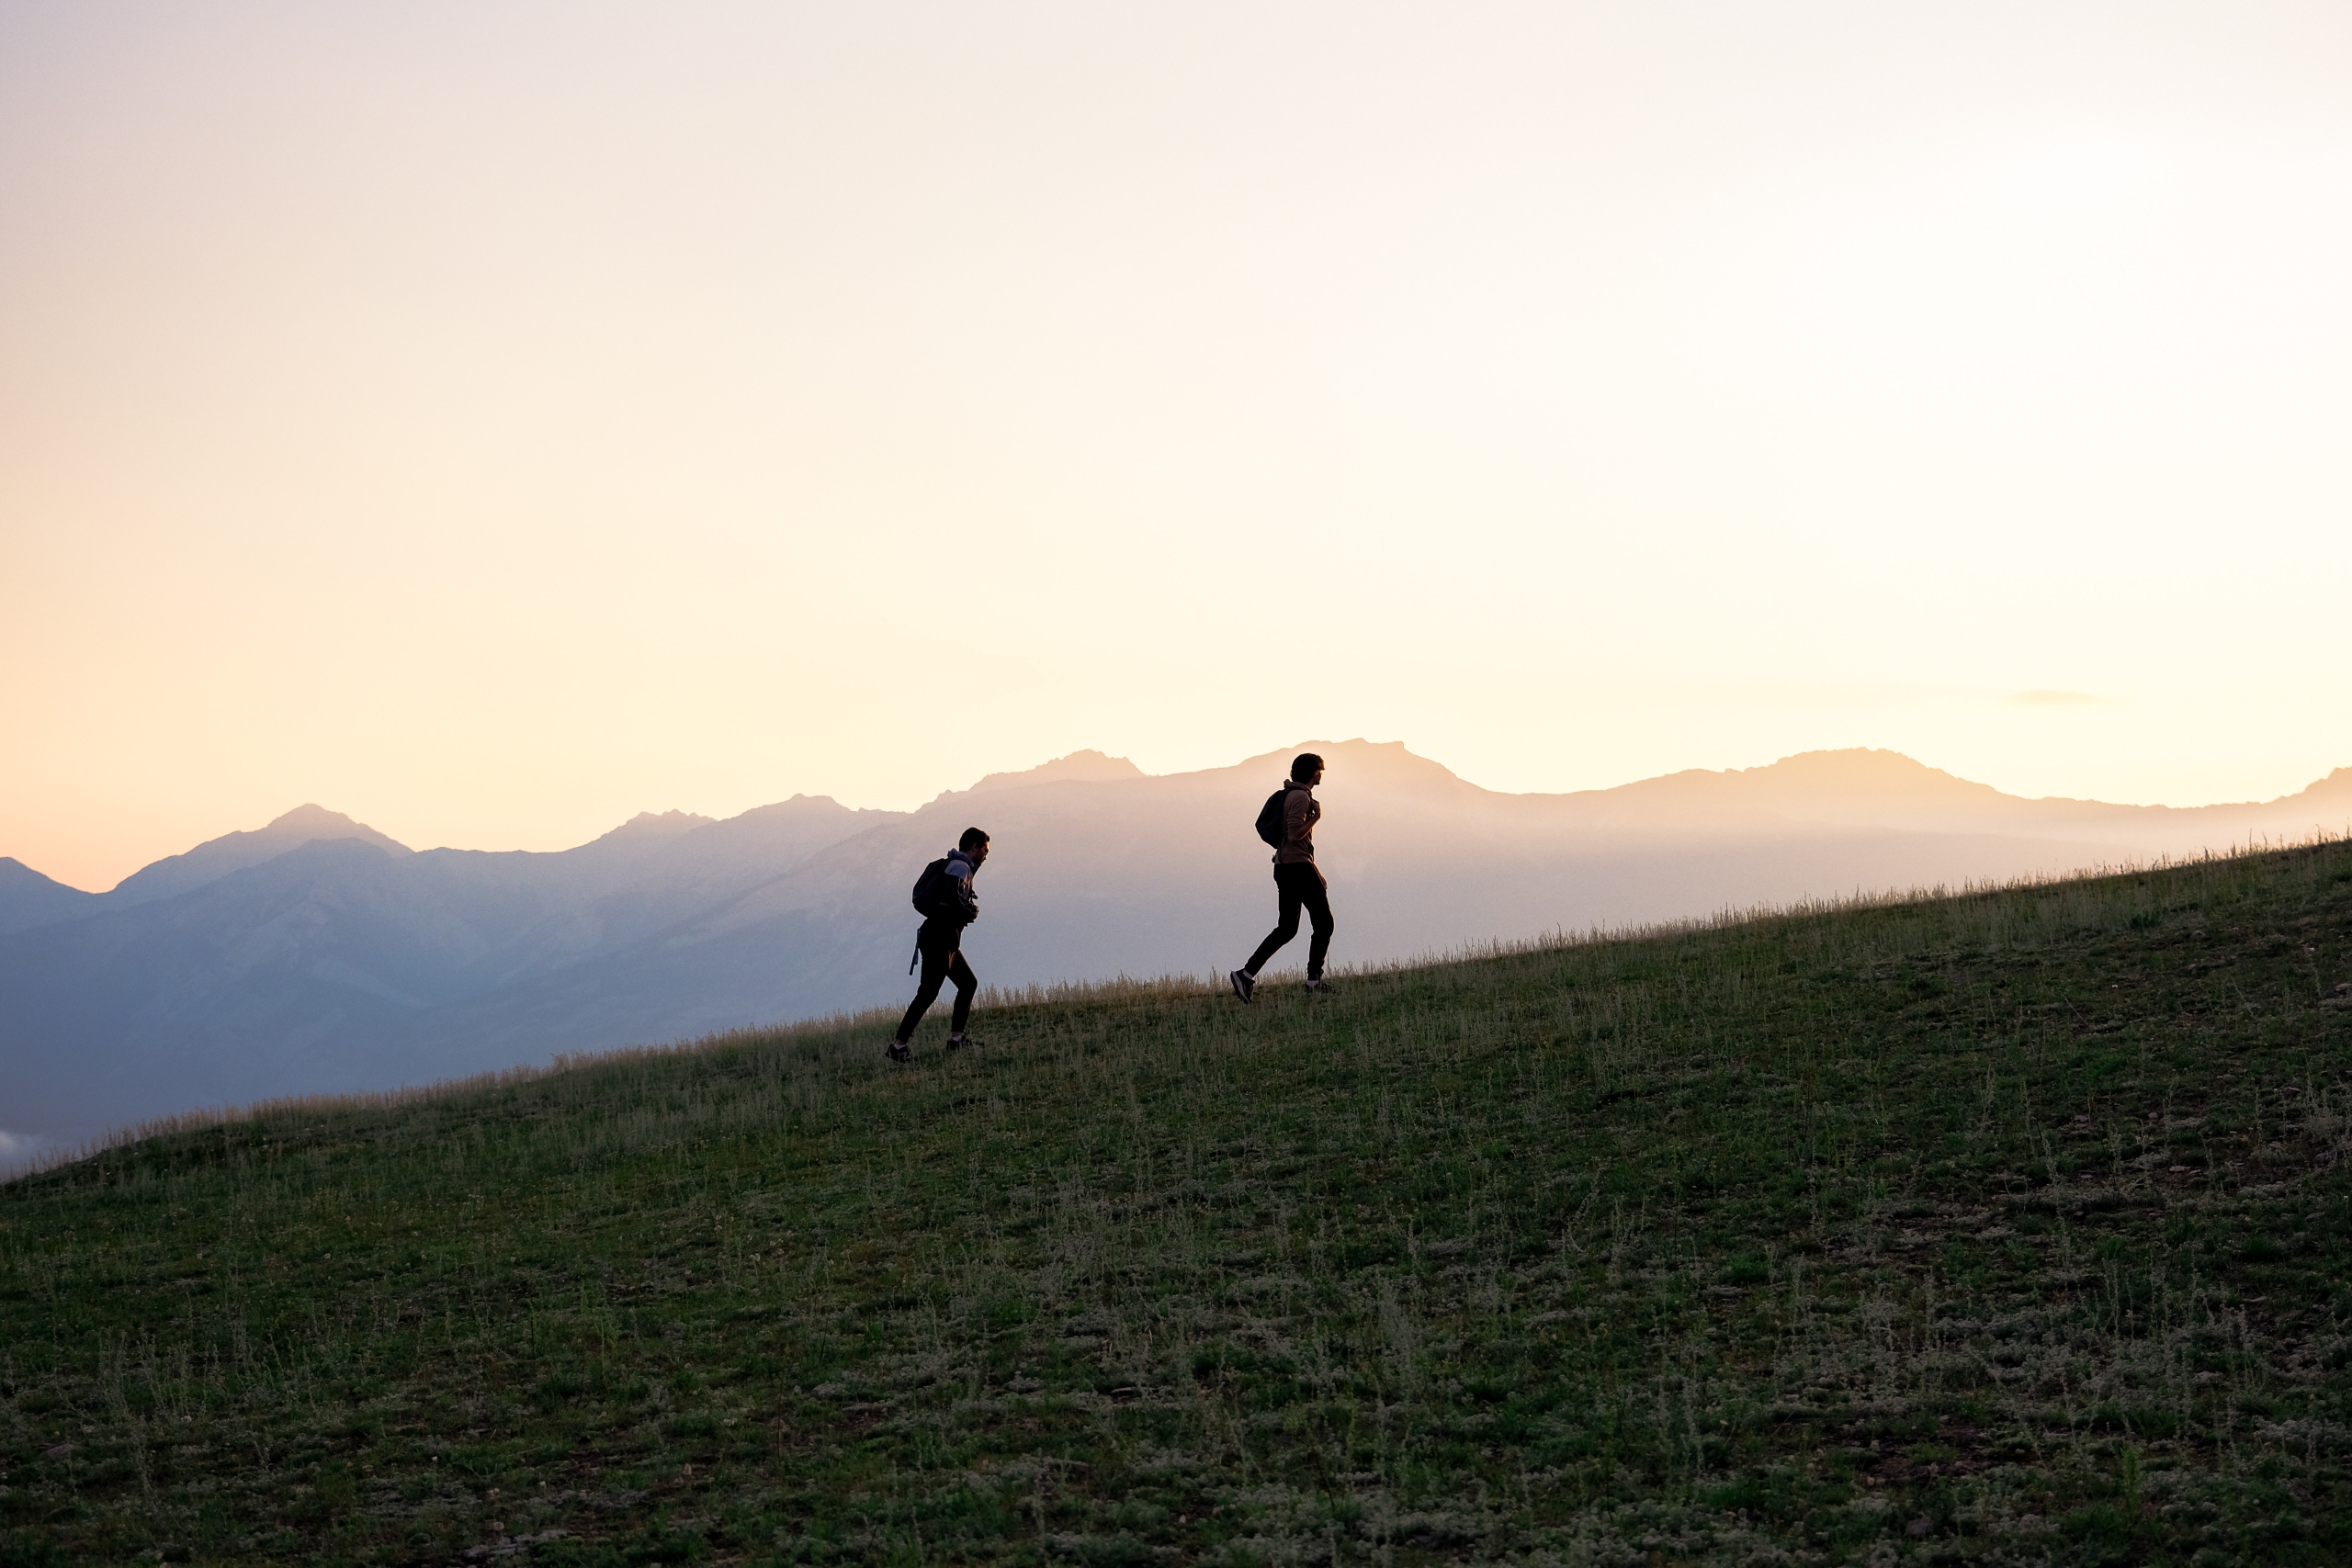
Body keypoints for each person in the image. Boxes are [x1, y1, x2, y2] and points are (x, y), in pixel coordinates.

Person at [1230, 753, 1336, 1002]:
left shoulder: (1291, 793)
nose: (1322, 774)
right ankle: (1313, 981)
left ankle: (1245, 974)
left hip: (1286, 867)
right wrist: (1316, 817)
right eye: (1320, 770)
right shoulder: (1300, 797)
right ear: (1313, 773)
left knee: (1287, 929)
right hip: (1297, 867)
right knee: (1324, 924)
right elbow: (1294, 835)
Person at [888, 827, 989, 1062]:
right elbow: (950, 898)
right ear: (974, 847)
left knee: (967, 983)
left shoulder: (955, 864)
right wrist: (970, 912)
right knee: (928, 993)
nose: (986, 855)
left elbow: (948, 900)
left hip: (943, 939)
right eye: (984, 850)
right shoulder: (961, 867)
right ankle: (898, 1046)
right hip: (940, 939)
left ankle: (956, 1039)